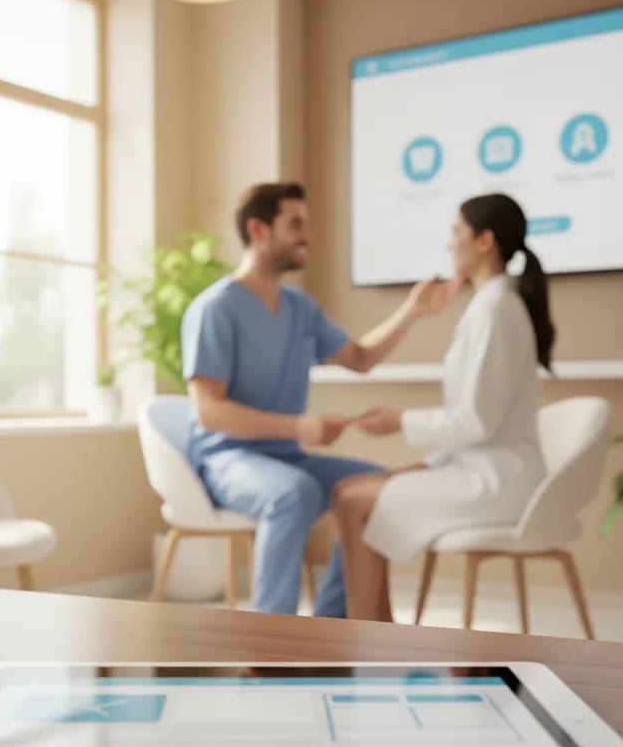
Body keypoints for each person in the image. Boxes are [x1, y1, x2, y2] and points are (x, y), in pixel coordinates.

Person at [182, 181, 453, 618]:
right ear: (258, 230)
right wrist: (300, 427)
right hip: (227, 459)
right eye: (295, 225)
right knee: (293, 493)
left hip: (286, 457)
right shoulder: (216, 309)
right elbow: (208, 411)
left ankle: (329, 625)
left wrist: (413, 311)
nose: (307, 235)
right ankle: (269, 637)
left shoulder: (300, 308)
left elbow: (360, 359)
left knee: (375, 487)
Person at [331, 193, 554, 622]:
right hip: (478, 466)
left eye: (456, 232)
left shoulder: (496, 310)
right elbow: (479, 422)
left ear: (485, 241)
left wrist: (399, 421)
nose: (449, 243)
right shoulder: (490, 306)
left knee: (353, 501)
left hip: (497, 481)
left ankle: (366, 637)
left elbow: (477, 421)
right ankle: (375, 634)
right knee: (346, 492)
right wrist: (430, 463)